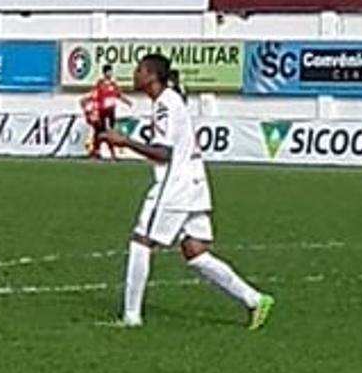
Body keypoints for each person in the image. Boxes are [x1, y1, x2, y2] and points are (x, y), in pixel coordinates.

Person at [100, 54, 275, 330]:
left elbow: (163, 153)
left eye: (139, 71)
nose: (134, 76)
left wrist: (125, 141)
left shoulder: (165, 105)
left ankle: (131, 316)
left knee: (141, 241)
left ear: (151, 75)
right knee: (196, 252)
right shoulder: (169, 101)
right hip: (194, 182)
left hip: (176, 184)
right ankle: (254, 299)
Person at [83, 63, 128, 161]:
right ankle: (97, 153)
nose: (110, 73)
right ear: (105, 73)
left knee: (109, 133)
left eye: (111, 71)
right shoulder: (100, 83)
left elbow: (119, 95)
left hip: (111, 112)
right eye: (108, 71)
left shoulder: (113, 84)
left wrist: (127, 102)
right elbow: (93, 95)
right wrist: (87, 103)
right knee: (100, 133)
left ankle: (110, 155)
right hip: (102, 112)